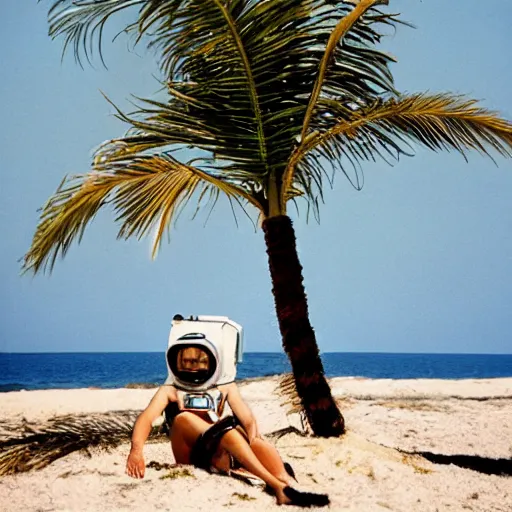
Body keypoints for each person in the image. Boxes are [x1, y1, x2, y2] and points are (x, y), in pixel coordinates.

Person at [125, 345, 329, 507]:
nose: (191, 366)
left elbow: (247, 418)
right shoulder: (170, 389)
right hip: (189, 451)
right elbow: (146, 418)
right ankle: (276, 486)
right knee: (187, 419)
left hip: (219, 448)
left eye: (198, 361)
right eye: (185, 361)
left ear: (211, 361)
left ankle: (287, 484)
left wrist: (253, 434)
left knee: (249, 437)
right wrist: (136, 451)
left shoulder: (225, 386)